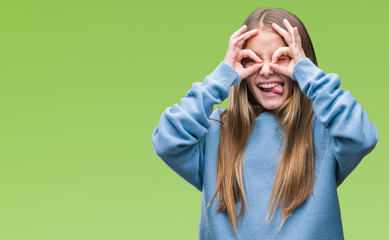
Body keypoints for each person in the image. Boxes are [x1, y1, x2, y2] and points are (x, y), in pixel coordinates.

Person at [151, 7, 379, 240]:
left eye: (283, 58)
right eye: (253, 60)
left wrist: (308, 74)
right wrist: (221, 77)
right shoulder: (217, 132)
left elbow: (362, 136)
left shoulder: (325, 131)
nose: (268, 70)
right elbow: (167, 141)